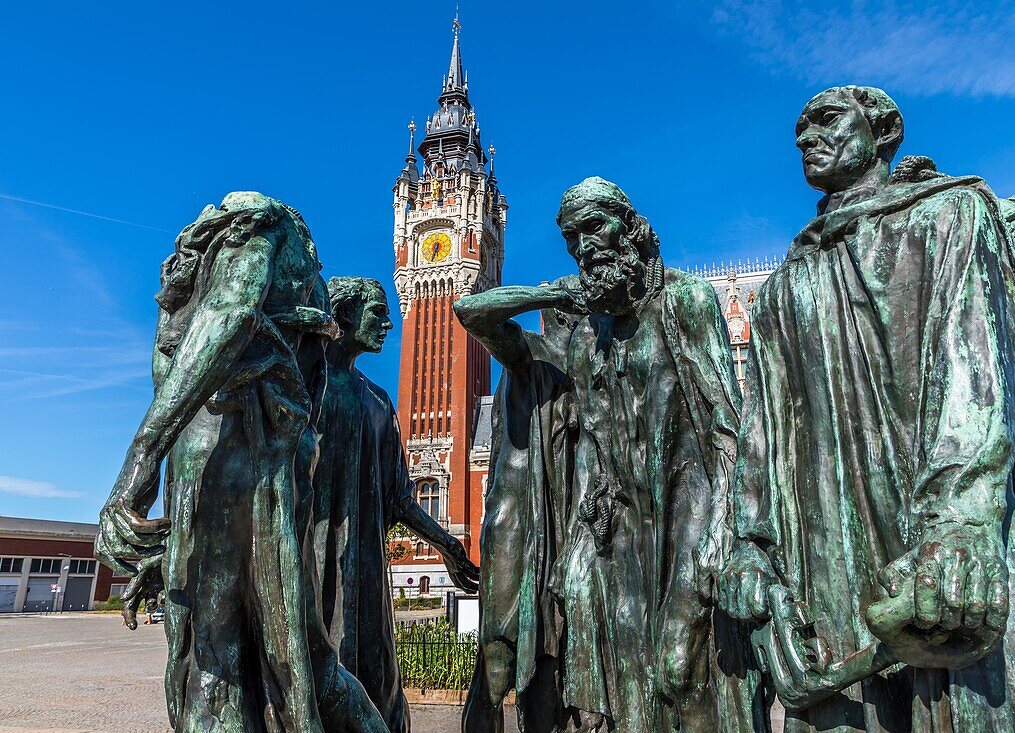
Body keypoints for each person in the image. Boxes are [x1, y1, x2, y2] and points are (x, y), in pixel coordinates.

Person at [700, 86, 1015, 731]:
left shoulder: (951, 218)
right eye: (799, 130)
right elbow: (759, 435)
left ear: (880, 133)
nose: (806, 138)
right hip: (826, 578)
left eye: (826, 121)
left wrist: (958, 524)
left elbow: (978, 376)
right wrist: (748, 543)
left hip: (943, 555)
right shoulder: (777, 293)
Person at [456, 177, 767, 733]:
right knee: (623, 685)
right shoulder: (583, 340)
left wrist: (729, 538)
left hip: (686, 519)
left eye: (594, 227)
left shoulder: (684, 302)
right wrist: (554, 294)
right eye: (572, 238)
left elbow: (730, 428)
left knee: (680, 670)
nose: (584, 246)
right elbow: (471, 311)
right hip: (615, 532)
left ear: (631, 227)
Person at [95, 192, 388, 733]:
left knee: (219, 664)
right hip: (227, 476)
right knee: (273, 655)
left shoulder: (259, 224)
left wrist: (135, 470)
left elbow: (228, 316)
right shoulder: (216, 276)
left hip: (241, 465)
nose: (175, 269)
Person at [314, 276, 479, 732]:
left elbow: (400, 497)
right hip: (310, 560)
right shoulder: (303, 385)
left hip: (367, 566)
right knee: (322, 678)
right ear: (344, 316)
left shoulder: (378, 400)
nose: (389, 323)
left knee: (379, 683)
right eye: (377, 313)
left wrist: (448, 545)